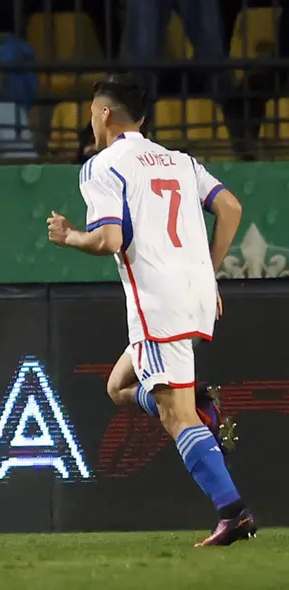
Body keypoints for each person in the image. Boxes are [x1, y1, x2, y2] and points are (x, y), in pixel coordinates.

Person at [46, 73, 252, 547]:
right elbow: (232, 209)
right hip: (194, 296)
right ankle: (196, 407)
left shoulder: (102, 165)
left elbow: (109, 239)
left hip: (157, 304)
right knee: (118, 386)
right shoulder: (181, 161)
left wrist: (69, 236)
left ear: (103, 114)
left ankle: (233, 511)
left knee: (175, 418)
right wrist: (208, 272)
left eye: (91, 115)